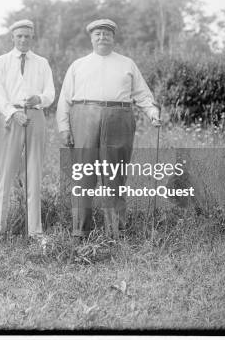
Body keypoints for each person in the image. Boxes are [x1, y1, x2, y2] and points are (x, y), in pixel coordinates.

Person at [56, 18, 161, 240]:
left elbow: (142, 94)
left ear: (113, 38)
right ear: (91, 38)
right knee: (83, 177)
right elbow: (65, 99)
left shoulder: (127, 64)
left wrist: (153, 113)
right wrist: (64, 127)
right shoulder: (78, 65)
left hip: (119, 118)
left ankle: (116, 233)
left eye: (107, 34)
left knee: (115, 177)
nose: (102, 37)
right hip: (84, 117)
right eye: (98, 34)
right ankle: (80, 232)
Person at [0, 19, 55, 242]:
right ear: (13, 38)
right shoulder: (1, 62)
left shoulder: (42, 63)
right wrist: (12, 113)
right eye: (20, 36)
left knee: (34, 173)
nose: (24, 40)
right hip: (10, 117)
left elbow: (50, 92)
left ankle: (35, 231)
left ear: (32, 37)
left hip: (35, 115)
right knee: (4, 173)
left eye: (27, 36)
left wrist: (40, 98)